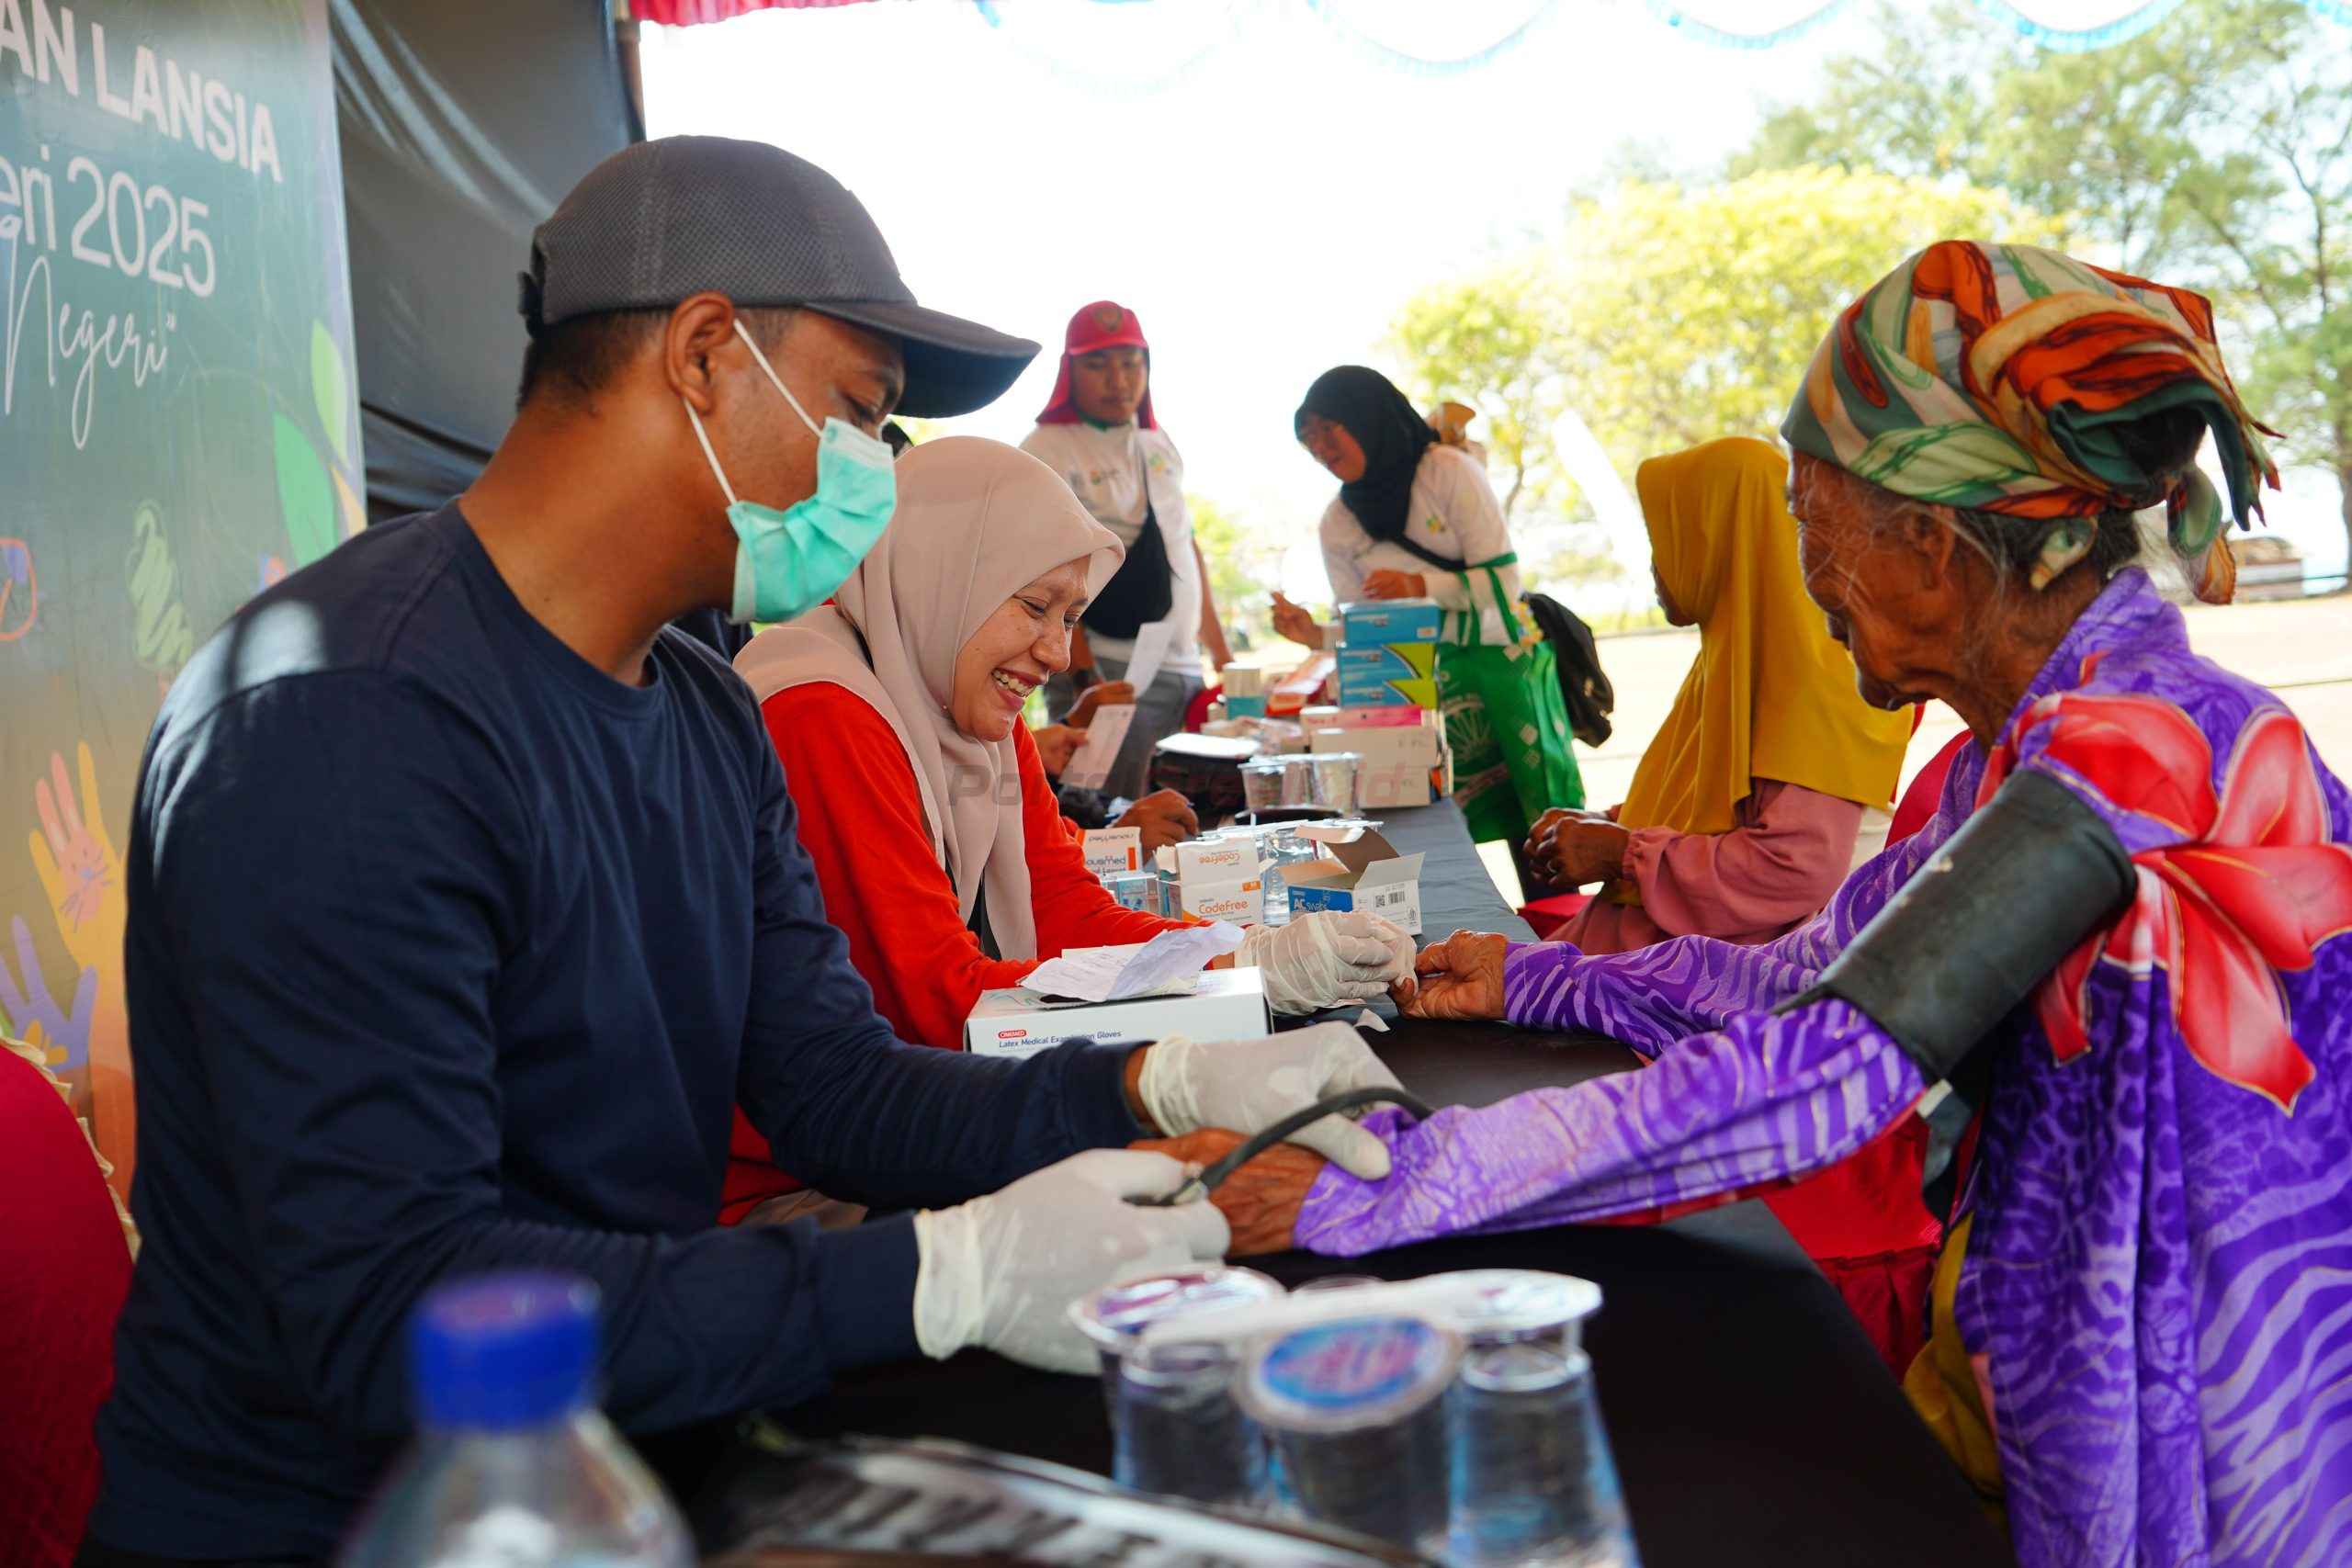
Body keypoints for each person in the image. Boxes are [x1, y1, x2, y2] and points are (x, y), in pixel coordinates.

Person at [78, 138, 1405, 1565]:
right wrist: (931, 1275)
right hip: (355, 1519)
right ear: (707, 353)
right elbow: (393, 1302)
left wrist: (1155, 1078)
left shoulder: (702, 704)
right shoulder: (344, 714)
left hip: (634, 1466)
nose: (873, 481)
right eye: (857, 414)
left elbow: (828, 1080)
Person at [1237, 244, 2352, 1566]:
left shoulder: (2132, 762)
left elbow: (1827, 1064)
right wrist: (1539, 981)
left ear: (1933, 547)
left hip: (2227, 1417)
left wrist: (1370, 1188)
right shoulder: (2032, 751)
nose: (1810, 578)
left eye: (1817, 524)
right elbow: (1821, 969)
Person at [721, 437, 1416, 1223]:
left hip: (933, 1121)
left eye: (1072, 616)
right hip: (791, 1186)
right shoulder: (819, 710)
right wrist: (1195, 1025)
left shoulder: (953, 685)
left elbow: (1064, 908)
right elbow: (937, 1005)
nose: (1056, 652)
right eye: (1032, 606)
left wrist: (1245, 961)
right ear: (942, 570)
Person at [1523, 437, 1911, 953]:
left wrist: (1624, 853)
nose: (1656, 567)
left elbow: (1796, 870)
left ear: (1721, 541)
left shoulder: (1815, 680)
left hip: (1727, 976)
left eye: (1667, 540)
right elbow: (1713, 806)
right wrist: (1607, 826)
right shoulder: (1738, 654)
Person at [1276, 366, 1582, 851]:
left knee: (1540, 826)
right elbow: (1363, 631)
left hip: (1502, 667)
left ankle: (1561, 922)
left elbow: (1504, 580)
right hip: (1418, 690)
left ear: (1367, 417)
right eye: (1309, 440)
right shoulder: (1337, 523)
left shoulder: (1447, 470)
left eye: (1329, 431)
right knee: (1442, 832)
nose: (1321, 450)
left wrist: (1418, 585)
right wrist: (1314, 635)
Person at [1023, 301, 1232, 802]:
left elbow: (1183, 543)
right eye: (1097, 364)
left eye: (1130, 362)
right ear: (1070, 371)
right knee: (1110, 820)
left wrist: (1220, 654)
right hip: (1110, 672)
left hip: (1182, 667)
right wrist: (1083, 678)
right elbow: (1047, 569)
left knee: (1185, 816)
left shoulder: (1158, 442)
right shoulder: (1048, 449)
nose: (1118, 380)